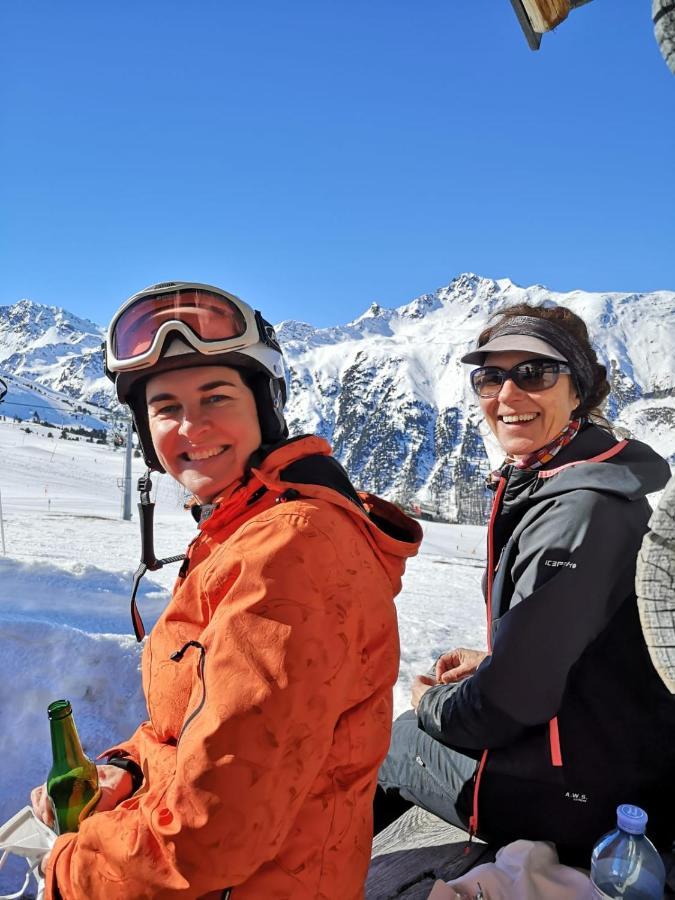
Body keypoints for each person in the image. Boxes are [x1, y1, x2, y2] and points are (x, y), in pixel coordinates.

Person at [31, 281, 422, 899]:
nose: (191, 425)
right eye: (165, 407)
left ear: (265, 407)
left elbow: (208, 837)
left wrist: (68, 871)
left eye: (216, 395)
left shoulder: (289, 554)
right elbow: (200, 730)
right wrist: (128, 769)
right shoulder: (243, 528)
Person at [375, 302, 675, 865]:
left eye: (534, 373)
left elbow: (506, 707)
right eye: (490, 376)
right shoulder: (571, 483)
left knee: (391, 742)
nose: (508, 395)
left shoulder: (577, 511)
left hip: (588, 799)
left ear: (578, 389)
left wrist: (432, 702)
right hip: (609, 756)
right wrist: (500, 657)